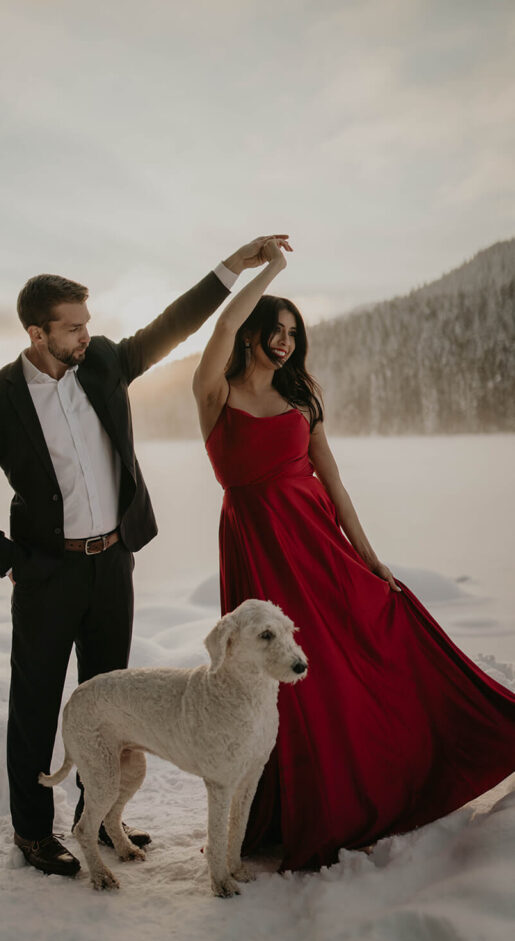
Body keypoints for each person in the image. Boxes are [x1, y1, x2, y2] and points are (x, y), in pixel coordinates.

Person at [0, 235, 286, 877]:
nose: (84, 335)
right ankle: (32, 833)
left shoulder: (102, 362)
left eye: (87, 324)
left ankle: (99, 821)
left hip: (112, 567)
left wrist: (231, 269)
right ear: (36, 332)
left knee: (110, 702)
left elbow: (171, 326)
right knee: (36, 704)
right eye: (71, 327)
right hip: (46, 574)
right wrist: (7, 557)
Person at [193, 236, 515, 871]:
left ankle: (395, 773)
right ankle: (284, 806)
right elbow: (223, 321)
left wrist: (371, 560)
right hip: (258, 549)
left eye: (293, 332)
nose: (284, 341)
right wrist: (270, 269)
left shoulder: (303, 403)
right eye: (274, 330)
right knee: (275, 683)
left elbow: (333, 483)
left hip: (320, 550)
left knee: (355, 660)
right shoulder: (215, 395)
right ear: (253, 333)